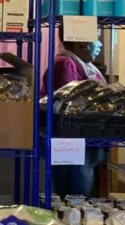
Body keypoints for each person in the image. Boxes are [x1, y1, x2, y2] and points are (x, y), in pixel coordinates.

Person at [46, 37, 107, 197]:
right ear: (81, 42)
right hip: (73, 142)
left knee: (74, 196)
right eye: (96, 38)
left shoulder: (82, 64)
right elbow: (69, 103)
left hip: (81, 142)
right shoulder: (66, 64)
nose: (99, 44)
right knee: (74, 196)